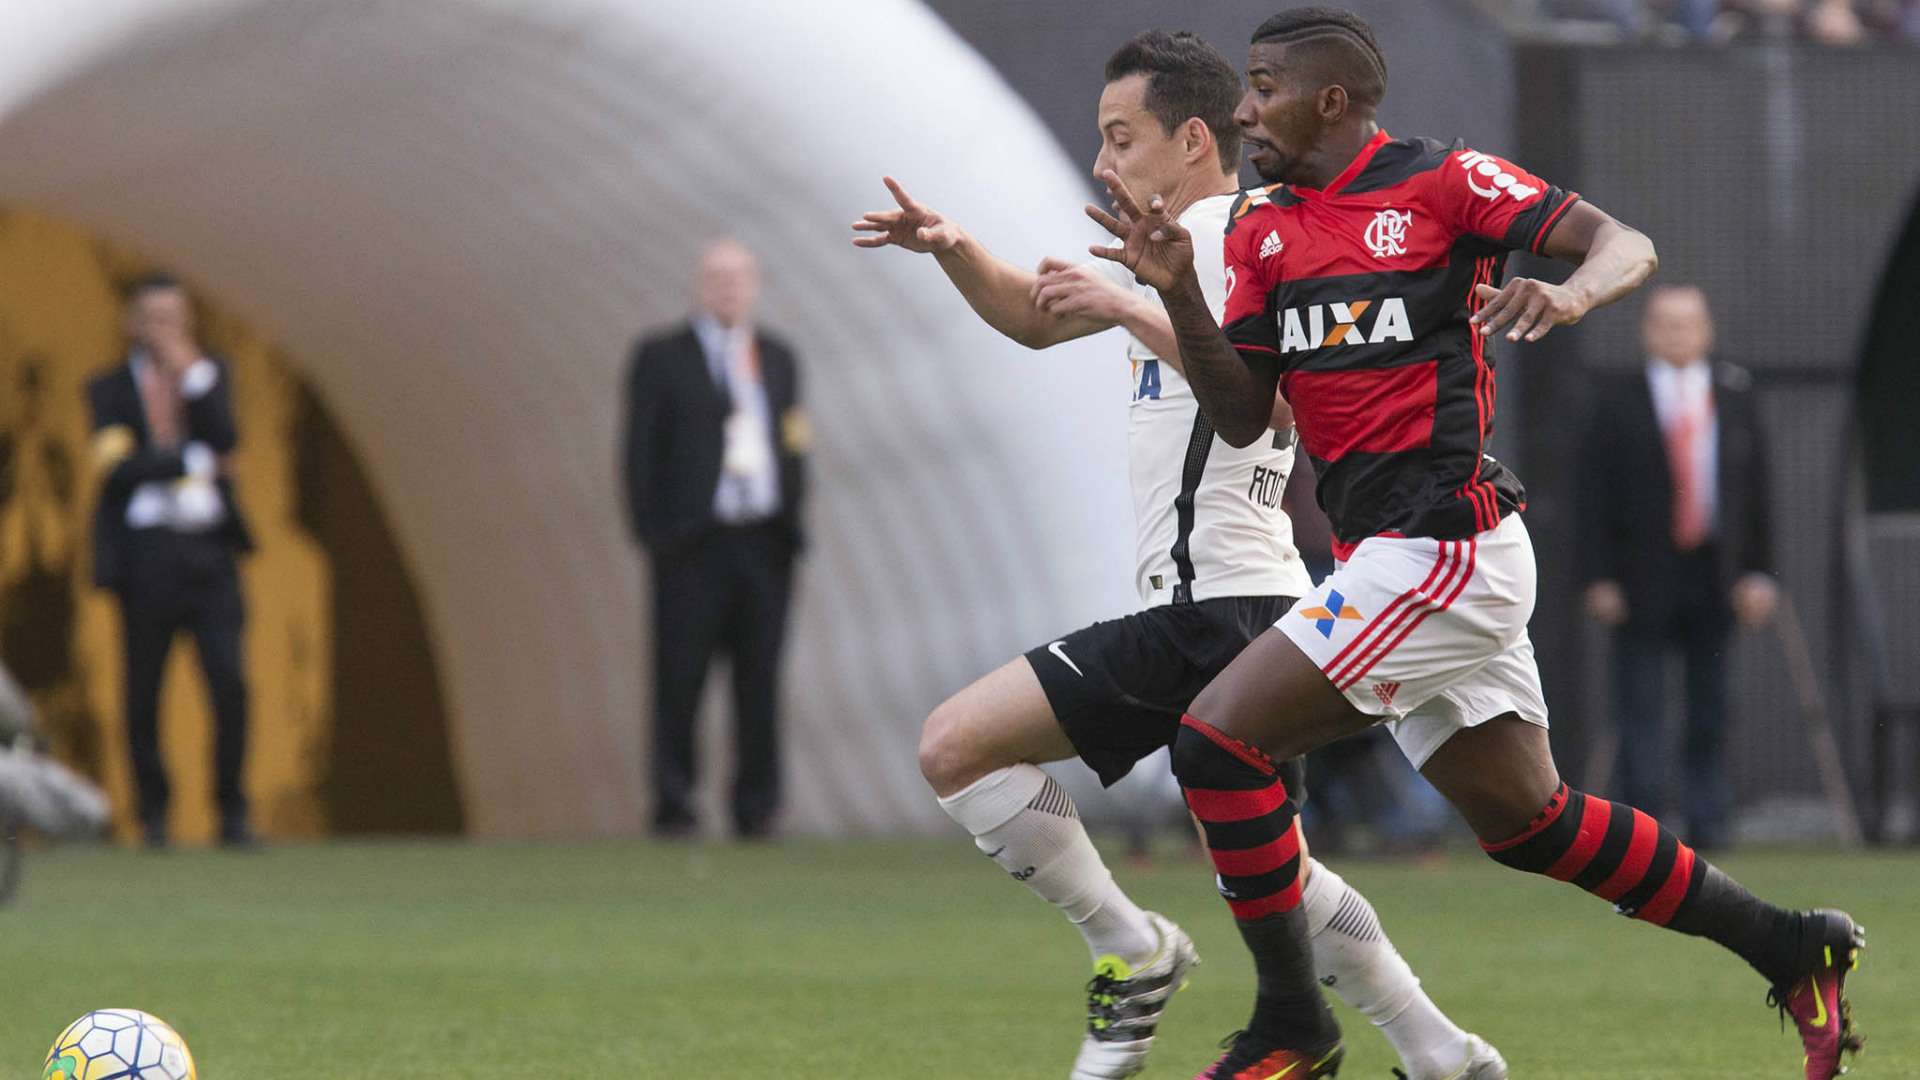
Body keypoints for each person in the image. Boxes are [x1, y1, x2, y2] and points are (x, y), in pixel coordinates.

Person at [1087, 8, 1862, 1078]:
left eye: (1262, 87)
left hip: (1443, 547)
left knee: (1217, 742)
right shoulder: (1266, 229)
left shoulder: (1442, 183)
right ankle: (1787, 943)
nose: (1244, 108)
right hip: (1394, 557)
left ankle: (1289, 1024)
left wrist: (1576, 288)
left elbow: (1622, 240)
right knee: (1529, 825)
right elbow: (1242, 412)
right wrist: (1178, 291)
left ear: (1330, 100)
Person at [853, 31, 1503, 1080]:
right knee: (1276, 872)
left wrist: (1138, 307)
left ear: (1194, 138)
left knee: (956, 746)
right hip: (1237, 606)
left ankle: (1131, 946)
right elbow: (1030, 315)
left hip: (1225, 604)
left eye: (1122, 138)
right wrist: (951, 245)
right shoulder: (1175, 251)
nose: (1104, 165)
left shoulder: (1253, 242)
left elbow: (1284, 399)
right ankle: (1442, 1051)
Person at [1581, 284, 1777, 851]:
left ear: (1707, 330)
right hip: (1641, 575)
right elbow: (1591, 496)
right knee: (1639, 705)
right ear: (1647, 331)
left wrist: (1760, 572)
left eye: (1688, 323)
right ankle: (1644, 832)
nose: (1677, 334)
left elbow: (1758, 493)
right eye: (1665, 323)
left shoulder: (1735, 395)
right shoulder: (1616, 401)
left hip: (1714, 573)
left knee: (1710, 704)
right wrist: (1599, 576)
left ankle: (1709, 822)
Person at [623, 240, 808, 839]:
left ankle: (758, 806)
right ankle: (674, 803)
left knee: (760, 678)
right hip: (693, 545)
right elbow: (640, 451)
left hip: (762, 543)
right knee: (680, 676)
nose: (728, 289)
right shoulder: (661, 357)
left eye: (738, 278)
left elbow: (795, 441)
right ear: (701, 285)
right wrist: (657, 535)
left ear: (754, 285)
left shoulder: (777, 357)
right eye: (717, 278)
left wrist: (791, 523)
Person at [88, 273, 256, 849]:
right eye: (153, 318)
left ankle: (231, 812)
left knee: (229, 682)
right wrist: (193, 459)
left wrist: (194, 377)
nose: (165, 330)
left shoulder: (211, 378)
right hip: (146, 556)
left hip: (209, 554)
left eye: (174, 317)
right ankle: (153, 817)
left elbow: (229, 437)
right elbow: (117, 470)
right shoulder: (108, 389)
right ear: (131, 323)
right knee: (143, 691)